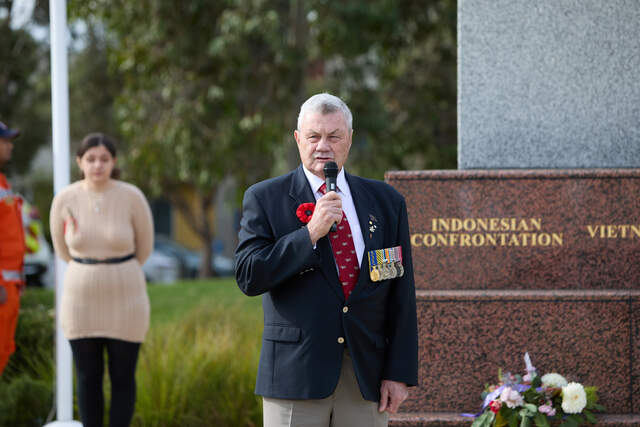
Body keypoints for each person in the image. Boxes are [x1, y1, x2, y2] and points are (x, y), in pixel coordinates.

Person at [235, 93, 418, 427]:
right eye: (313, 136)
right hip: (296, 375)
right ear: (297, 139)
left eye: (334, 136)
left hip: (366, 377)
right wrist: (309, 234)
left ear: (349, 139)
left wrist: (399, 372)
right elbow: (249, 275)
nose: (323, 146)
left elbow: (400, 293)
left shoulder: (386, 202)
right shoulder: (265, 198)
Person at [50, 133, 154, 427]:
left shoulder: (132, 196)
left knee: (123, 377)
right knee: (87, 377)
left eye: (104, 159)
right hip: (80, 304)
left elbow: (145, 248)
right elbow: (61, 249)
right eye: (91, 159)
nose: (98, 165)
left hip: (127, 301)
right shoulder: (65, 199)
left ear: (114, 162)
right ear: (79, 162)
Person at [0, 120, 25, 376]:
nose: (10, 146)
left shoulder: (2, 182)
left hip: (9, 287)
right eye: (5, 140)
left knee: (4, 352)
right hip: (2, 286)